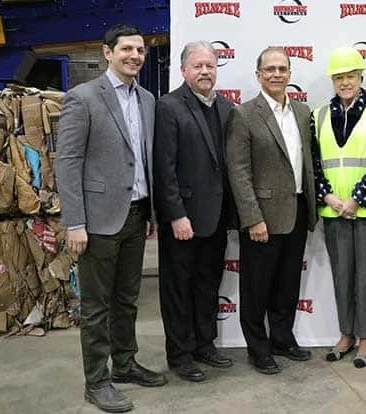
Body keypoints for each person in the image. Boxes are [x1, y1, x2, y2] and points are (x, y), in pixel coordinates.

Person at [55, 23, 166, 413]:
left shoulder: (148, 100)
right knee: (97, 307)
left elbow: (145, 159)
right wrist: (75, 222)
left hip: (136, 215)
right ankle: (97, 382)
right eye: (126, 49)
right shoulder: (83, 98)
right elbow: (67, 162)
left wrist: (150, 211)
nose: (134, 56)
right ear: (107, 53)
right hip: (98, 221)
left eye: (140, 50)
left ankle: (124, 363)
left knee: (127, 300)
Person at [226, 47, 317, 375]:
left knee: (288, 283)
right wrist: (252, 218)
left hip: (298, 212)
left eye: (282, 69)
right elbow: (238, 170)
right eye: (270, 69)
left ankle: (282, 337)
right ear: (258, 75)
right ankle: (257, 348)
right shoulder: (244, 113)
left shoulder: (304, 112)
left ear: (290, 74)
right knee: (256, 287)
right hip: (262, 218)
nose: (277, 74)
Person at [153, 41, 237, 382]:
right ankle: (180, 354)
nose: (205, 71)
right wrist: (176, 215)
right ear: (184, 70)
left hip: (215, 217)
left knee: (207, 284)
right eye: (198, 66)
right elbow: (164, 167)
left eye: (211, 66)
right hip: (184, 219)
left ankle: (205, 344)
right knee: (178, 289)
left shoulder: (226, 107)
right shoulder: (169, 106)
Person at [312, 47, 366, 368]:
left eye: (351, 76)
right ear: (333, 81)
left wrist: (356, 199)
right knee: (342, 276)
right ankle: (346, 333)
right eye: (339, 77)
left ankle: (365, 338)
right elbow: (313, 165)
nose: (345, 82)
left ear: (361, 78)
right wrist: (330, 198)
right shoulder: (318, 116)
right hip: (333, 211)